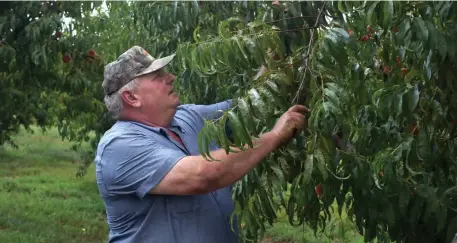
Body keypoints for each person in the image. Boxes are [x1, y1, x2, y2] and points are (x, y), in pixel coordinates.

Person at [94, 45, 309, 243]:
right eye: (158, 76)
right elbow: (202, 176)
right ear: (132, 97)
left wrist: (273, 48)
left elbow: (250, 106)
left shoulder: (188, 117)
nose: (171, 77)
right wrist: (274, 136)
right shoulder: (118, 146)